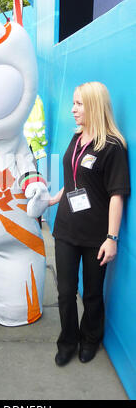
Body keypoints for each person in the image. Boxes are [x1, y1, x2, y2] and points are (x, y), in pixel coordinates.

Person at [48, 81, 130, 366]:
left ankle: (90, 339)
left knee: (93, 293)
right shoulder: (77, 138)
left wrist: (112, 238)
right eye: (73, 103)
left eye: (79, 104)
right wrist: (55, 197)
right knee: (66, 292)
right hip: (66, 230)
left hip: (96, 235)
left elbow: (117, 194)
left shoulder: (112, 147)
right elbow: (74, 181)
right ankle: (68, 341)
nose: (73, 109)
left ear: (94, 105)